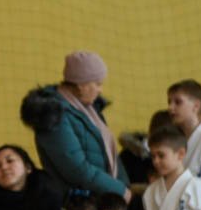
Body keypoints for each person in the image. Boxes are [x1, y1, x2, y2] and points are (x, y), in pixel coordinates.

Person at [20, 51, 130, 201]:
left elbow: (110, 154)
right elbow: (76, 169)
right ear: (81, 85)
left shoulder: (89, 109)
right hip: (80, 205)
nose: (101, 90)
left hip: (105, 199)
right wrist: (119, 190)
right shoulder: (53, 115)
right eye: (98, 84)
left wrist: (124, 186)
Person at [167, 79, 201, 193]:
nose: (170, 108)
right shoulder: (173, 142)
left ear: (196, 106)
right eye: (169, 102)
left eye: (178, 102)